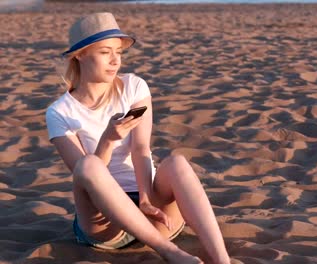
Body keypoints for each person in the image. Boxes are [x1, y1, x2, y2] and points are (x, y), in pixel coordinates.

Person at [45, 12, 230, 264]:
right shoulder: (59, 112)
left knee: (176, 163)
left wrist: (145, 198)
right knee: (88, 165)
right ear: (80, 54)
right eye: (105, 52)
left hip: (153, 212)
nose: (114, 61)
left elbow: (141, 148)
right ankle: (170, 253)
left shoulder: (134, 86)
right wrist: (108, 140)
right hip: (104, 222)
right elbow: (86, 177)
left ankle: (222, 260)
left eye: (119, 53)